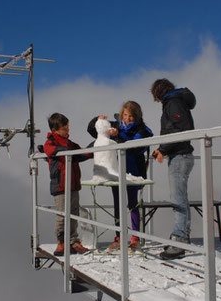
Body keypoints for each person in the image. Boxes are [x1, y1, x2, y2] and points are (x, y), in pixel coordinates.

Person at [87, 101, 153, 251]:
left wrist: (119, 135)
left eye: (130, 116)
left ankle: (135, 237)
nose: (127, 118)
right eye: (125, 115)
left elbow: (135, 146)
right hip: (116, 171)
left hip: (133, 171)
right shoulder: (115, 125)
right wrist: (99, 120)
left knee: (132, 204)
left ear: (137, 116)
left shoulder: (142, 130)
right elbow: (92, 129)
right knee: (118, 204)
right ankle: (119, 236)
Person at [150, 78, 196, 260]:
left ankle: (180, 239)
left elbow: (177, 131)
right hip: (180, 155)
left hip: (180, 156)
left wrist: (162, 149)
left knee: (178, 200)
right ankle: (181, 236)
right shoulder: (176, 102)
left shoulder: (173, 103)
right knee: (181, 198)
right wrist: (163, 149)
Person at [43, 113, 91, 256]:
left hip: (73, 184)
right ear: (54, 130)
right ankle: (61, 242)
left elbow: (80, 154)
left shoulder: (70, 143)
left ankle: (73, 241)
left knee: (74, 213)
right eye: (64, 129)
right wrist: (67, 151)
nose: (67, 131)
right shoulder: (51, 142)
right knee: (63, 214)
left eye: (68, 128)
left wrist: (93, 150)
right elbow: (50, 150)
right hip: (60, 186)